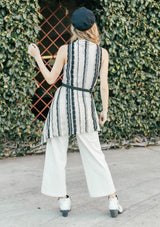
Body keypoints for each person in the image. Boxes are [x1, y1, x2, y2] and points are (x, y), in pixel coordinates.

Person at [28, 6, 123, 218]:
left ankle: (63, 201)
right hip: (85, 103)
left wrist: (36, 56)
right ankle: (113, 200)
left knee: (57, 153)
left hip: (62, 102)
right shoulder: (102, 53)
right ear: (92, 27)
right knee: (95, 154)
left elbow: (51, 80)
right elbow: (103, 86)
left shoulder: (64, 50)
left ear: (73, 28)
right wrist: (104, 110)